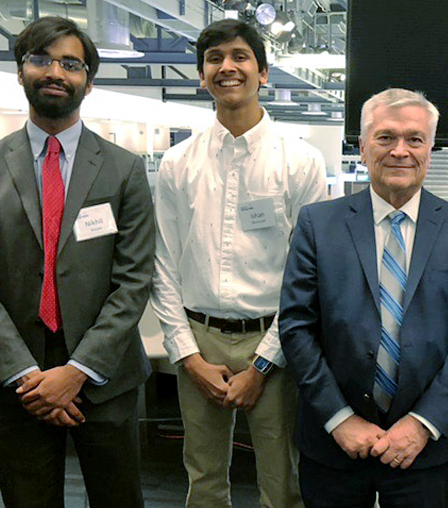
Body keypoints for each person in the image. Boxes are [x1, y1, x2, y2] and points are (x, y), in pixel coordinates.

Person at [0, 16, 153, 508]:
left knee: (118, 500)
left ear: (89, 79)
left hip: (104, 378)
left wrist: (77, 371)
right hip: (16, 381)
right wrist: (28, 376)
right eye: (40, 59)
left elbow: (134, 280)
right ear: (20, 72)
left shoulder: (124, 169)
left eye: (70, 63)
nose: (55, 72)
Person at [278, 88, 448, 508]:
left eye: (414, 139)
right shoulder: (318, 225)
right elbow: (297, 327)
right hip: (333, 443)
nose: (400, 151)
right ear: (362, 146)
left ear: (431, 148)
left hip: (422, 448)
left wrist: (422, 423)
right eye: (385, 137)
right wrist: (339, 419)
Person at [150, 19, 326, 508]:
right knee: (203, 480)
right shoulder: (177, 163)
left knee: (281, 481)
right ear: (202, 77)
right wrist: (187, 355)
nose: (227, 66)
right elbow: (163, 264)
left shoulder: (300, 161)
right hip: (198, 338)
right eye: (214, 59)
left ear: (263, 72)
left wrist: (265, 364)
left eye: (240, 56)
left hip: (275, 340)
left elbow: (307, 275)